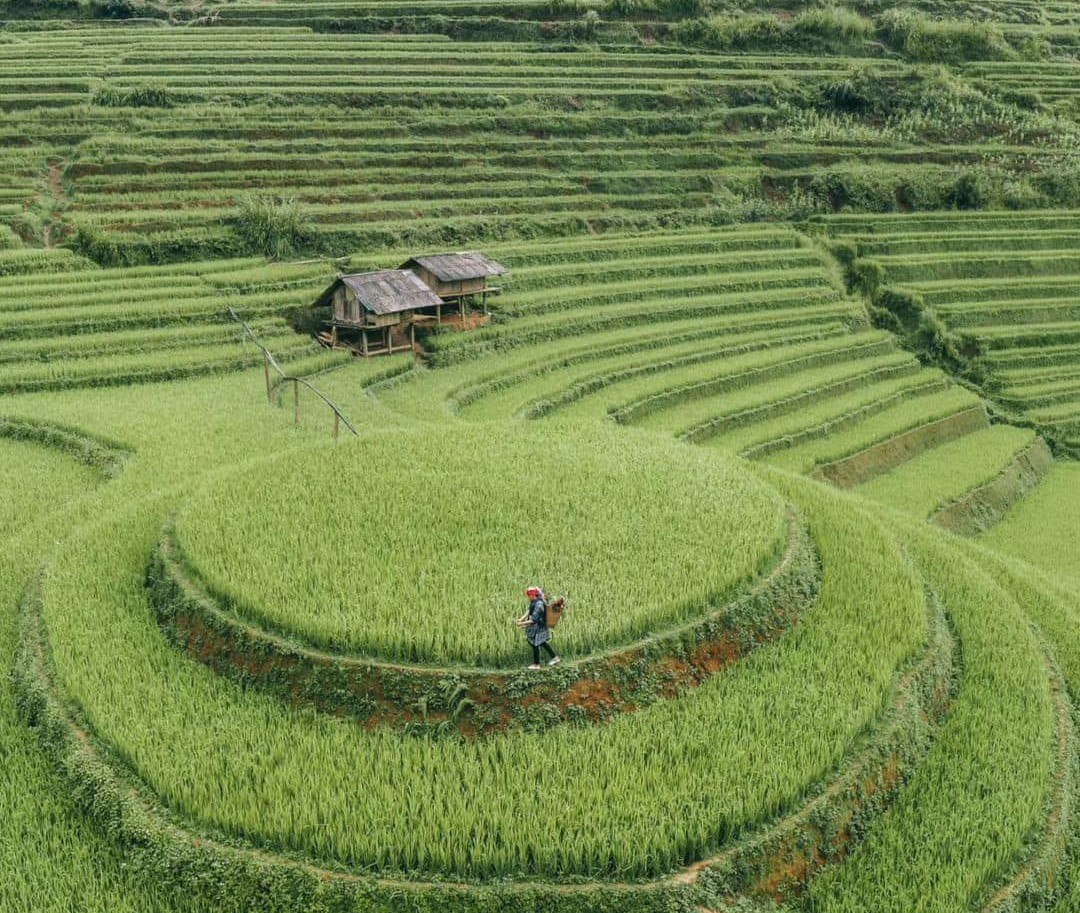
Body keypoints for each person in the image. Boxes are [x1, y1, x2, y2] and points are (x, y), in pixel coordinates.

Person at [515, 586, 560, 670]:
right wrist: (521, 619)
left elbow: (533, 620)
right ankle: (555, 658)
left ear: (533, 595)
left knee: (535, 643)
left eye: (529, 596)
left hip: (539, 626)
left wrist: (521, 623)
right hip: (537, 626)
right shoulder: (534, 601)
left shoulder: (539, 605)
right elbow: (529, 611)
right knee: (541, 642)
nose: (528, 597)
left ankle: (537, 664)